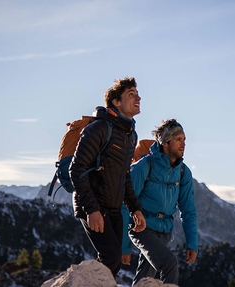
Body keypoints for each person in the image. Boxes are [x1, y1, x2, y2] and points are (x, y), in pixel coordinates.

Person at [70, 77, 146, 278]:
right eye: (131, 94)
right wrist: (92, 209)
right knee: (111, 257)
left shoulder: (130, 135)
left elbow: (125, 175)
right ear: (116, 102)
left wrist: (135, 208)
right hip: (94, 204)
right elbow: (76, 170)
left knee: (112, 261)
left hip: (114, 208)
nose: (138, 97)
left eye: (137, 93)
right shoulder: (99, 128)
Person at [121, 119, 198, 286]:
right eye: (178, 140)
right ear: (165, 142)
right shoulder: (144, 166)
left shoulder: (183, 172)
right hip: (141, 227)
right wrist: (124, 246)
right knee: (169, 264)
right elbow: (125, 203)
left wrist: (192, 244)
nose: (183, 144)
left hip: (164, 231)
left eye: (184, 139)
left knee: (146, 278)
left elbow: (188, 211)